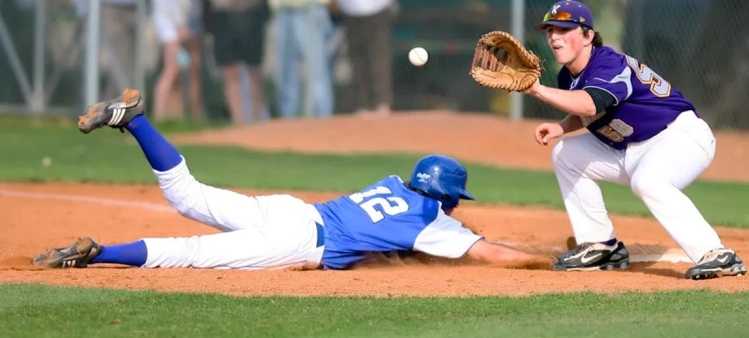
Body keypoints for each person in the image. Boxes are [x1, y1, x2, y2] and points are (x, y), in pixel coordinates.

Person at [31, 90, 548, 271]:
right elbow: (491, 254)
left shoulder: (393, 183)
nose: (455, 210)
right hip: (297, 240)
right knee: (187, 252)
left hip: (290, 210)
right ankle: (98, 254)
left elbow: (391, 240)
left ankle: (136, 119)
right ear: (444, 198)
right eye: (454, 201)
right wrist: (550, 260)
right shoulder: (429, 222)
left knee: (186, 195)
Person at [524, 0, 748, 280]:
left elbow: (593, 103)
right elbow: (590, 111)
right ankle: (601, 247)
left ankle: (716, 254)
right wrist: (562, 127)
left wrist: (537, 91)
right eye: (550, 30)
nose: (554, 36)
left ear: (588, 36)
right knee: (565, 154)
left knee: (648, 181)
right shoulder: (567, 77)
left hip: (679, 136)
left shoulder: (608, 64)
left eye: (563, 29)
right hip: (631, 148)